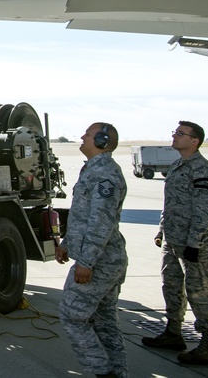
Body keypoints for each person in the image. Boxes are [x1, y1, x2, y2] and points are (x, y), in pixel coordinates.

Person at [141, 120, 208, 365]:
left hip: (196, 245)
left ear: (194, 141)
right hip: (174, 241)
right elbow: (171, 204)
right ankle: (173, 332)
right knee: (172, 287)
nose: (174, 137)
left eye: (181, 134)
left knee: (200, 292)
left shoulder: (203, 170)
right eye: (175, 133)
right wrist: (161, 231)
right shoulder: (177, 165)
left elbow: (204, 211)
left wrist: (195, 242)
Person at [56, 122, 128, 378]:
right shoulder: (94, 169)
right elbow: (84, 216)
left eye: (88, 134)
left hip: (100, 261)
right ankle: (118, 373)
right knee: (105, 323)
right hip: (103, 258)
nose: (83, 137)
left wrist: (86, 262)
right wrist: (67, 244)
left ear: (102, 141)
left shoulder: (104, 173)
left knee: (72, 316)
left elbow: (101, 223)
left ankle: (103, 372)